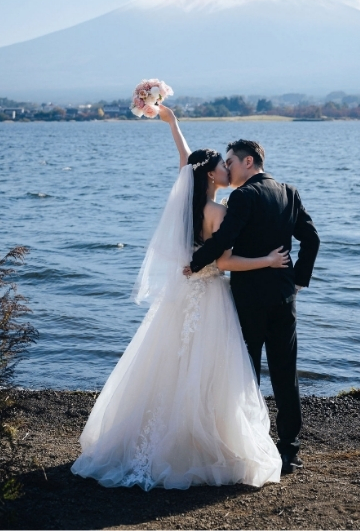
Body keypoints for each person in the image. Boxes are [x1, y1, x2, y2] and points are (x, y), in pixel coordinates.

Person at [71, 104, 286, 490]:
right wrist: (267, 259)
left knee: (172, 368)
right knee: (208, 374)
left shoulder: (188, 201)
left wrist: (172, 122)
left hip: (182, 295)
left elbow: (186, 160)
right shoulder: (216, 211)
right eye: (222, 164)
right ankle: (198, 446)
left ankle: (151, 441)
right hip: (211, 296)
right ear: (211, 173)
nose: (227, 168)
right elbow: (226, 262)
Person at [189, 136, 320, 474]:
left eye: (230, 161)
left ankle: (248, 443)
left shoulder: (242, 196)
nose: (228, 168)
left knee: (245, 374)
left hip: (249, 301)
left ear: (248, 162)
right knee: (285, 374)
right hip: (283, 298)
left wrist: (195, 262)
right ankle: (290, 452)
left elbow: (222, 241)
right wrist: (298, 280)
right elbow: (312, 238)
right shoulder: (289, 192)